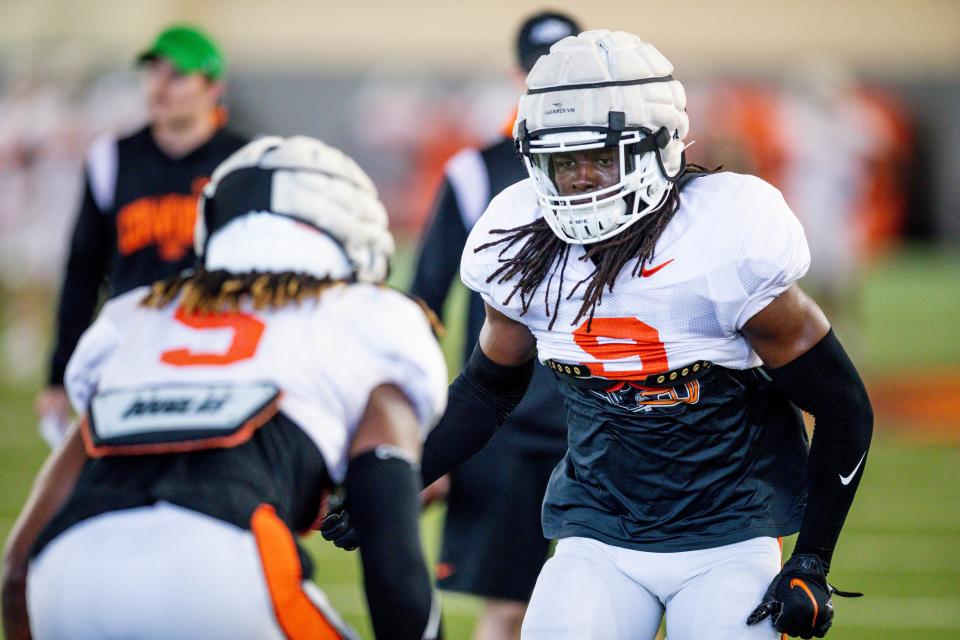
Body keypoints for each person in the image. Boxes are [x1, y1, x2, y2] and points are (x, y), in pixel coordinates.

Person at [326, 30, 873, 639]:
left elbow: (841, 404)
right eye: (563, 161)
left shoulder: (727, 238)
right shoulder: (519, 240)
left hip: (729, 536)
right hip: (597, 533)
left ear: (659, 147)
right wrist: (400, 482)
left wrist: (812, 559)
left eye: (600, 158)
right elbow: (487, 390)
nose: (581, 180)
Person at [2, 136, 448, 640]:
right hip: (222, 562)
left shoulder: (134, 318)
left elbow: (17, 568)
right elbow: (396, 575)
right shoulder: (369, 318)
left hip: (66, 570)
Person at [409, 10, 580, 640]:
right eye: (542, 67)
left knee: (627, 601)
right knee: (509, 607)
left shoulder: (625, 160)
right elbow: (422, 305)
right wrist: (431, 436)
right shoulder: (476, 171)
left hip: (611, 412)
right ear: (516, 73)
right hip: (503, 425)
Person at [36, 24, 248, 446]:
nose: (160, 87)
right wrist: (59, 374)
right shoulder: (111, 158)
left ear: (212, 86)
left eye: (177, 75)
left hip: (214, 348)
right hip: (131, 346)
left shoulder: (244, 162)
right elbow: (82, 269)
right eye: (153, 72)